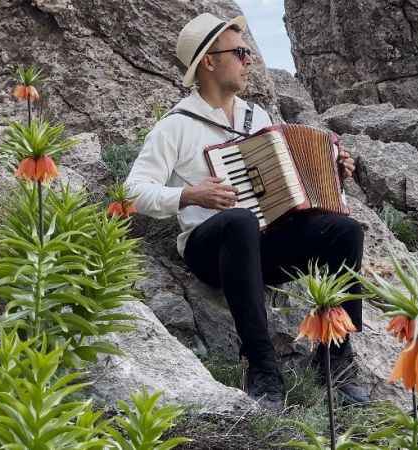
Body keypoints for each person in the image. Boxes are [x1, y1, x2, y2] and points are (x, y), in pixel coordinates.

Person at [125, 12, 368, 410]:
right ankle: (262, 367)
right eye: (239, 52)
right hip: (212, 254)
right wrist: (189, 195)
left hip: (263, 248)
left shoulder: (260, 119)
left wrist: (332, 173)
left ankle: (334, 357)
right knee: (238, 220)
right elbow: (134, 191)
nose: (248, 60)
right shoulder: (175, 126)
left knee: (344, 230)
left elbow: (288, 191)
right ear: (208, 61)